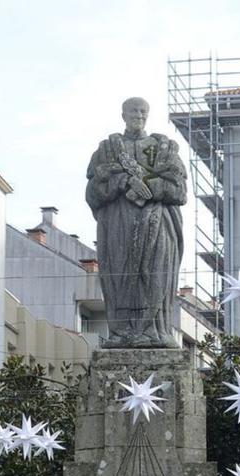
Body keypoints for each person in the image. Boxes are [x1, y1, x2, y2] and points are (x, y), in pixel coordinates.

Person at [85, 97, 187, 348]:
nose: (138, 115)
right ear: (123, 115)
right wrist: (123, 182)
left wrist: (150, 187)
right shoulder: (107, 150)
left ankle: (155, 331)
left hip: (158, 223)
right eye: (133, 111)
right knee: (120, 276)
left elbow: (180, 191)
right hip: (119, 224)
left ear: (148, 115)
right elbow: (93, 193)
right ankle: (122, 333)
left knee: (156, 276)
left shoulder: (163, 148)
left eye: (143, 111)